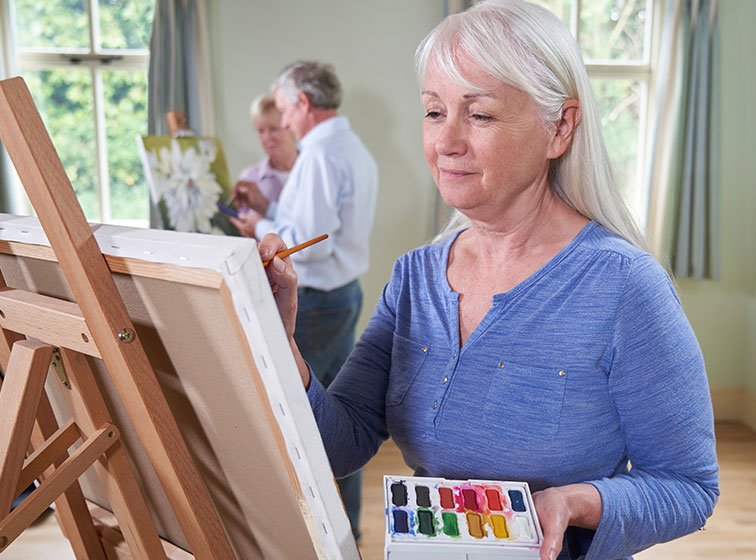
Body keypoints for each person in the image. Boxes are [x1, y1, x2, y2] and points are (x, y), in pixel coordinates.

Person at [260, 2, 719, 558]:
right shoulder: (414, 277)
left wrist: (577, 502)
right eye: (434, 112)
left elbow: (688, 486)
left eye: (479, 115)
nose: (446, 141)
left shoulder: (627, 288)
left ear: (560, 128)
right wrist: (281, 341)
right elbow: (341, 441)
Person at [232, 61, 378, 541]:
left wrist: (257, 229)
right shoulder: (348, 147)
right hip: (339, 295)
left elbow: (310, 240)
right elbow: (314, 223)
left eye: (283, 108)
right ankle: (344, 529)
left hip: (315, 301)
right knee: (335, 417)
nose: (283, 121)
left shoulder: (318, 155)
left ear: (304, 104)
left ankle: (315, 533)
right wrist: (270, 214)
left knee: (304, 416)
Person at [232, 94, 298, 221]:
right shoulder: (249, 178)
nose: (267, 138)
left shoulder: (312, 169)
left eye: (274, 129)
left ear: (290, 127)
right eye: (260, 131)